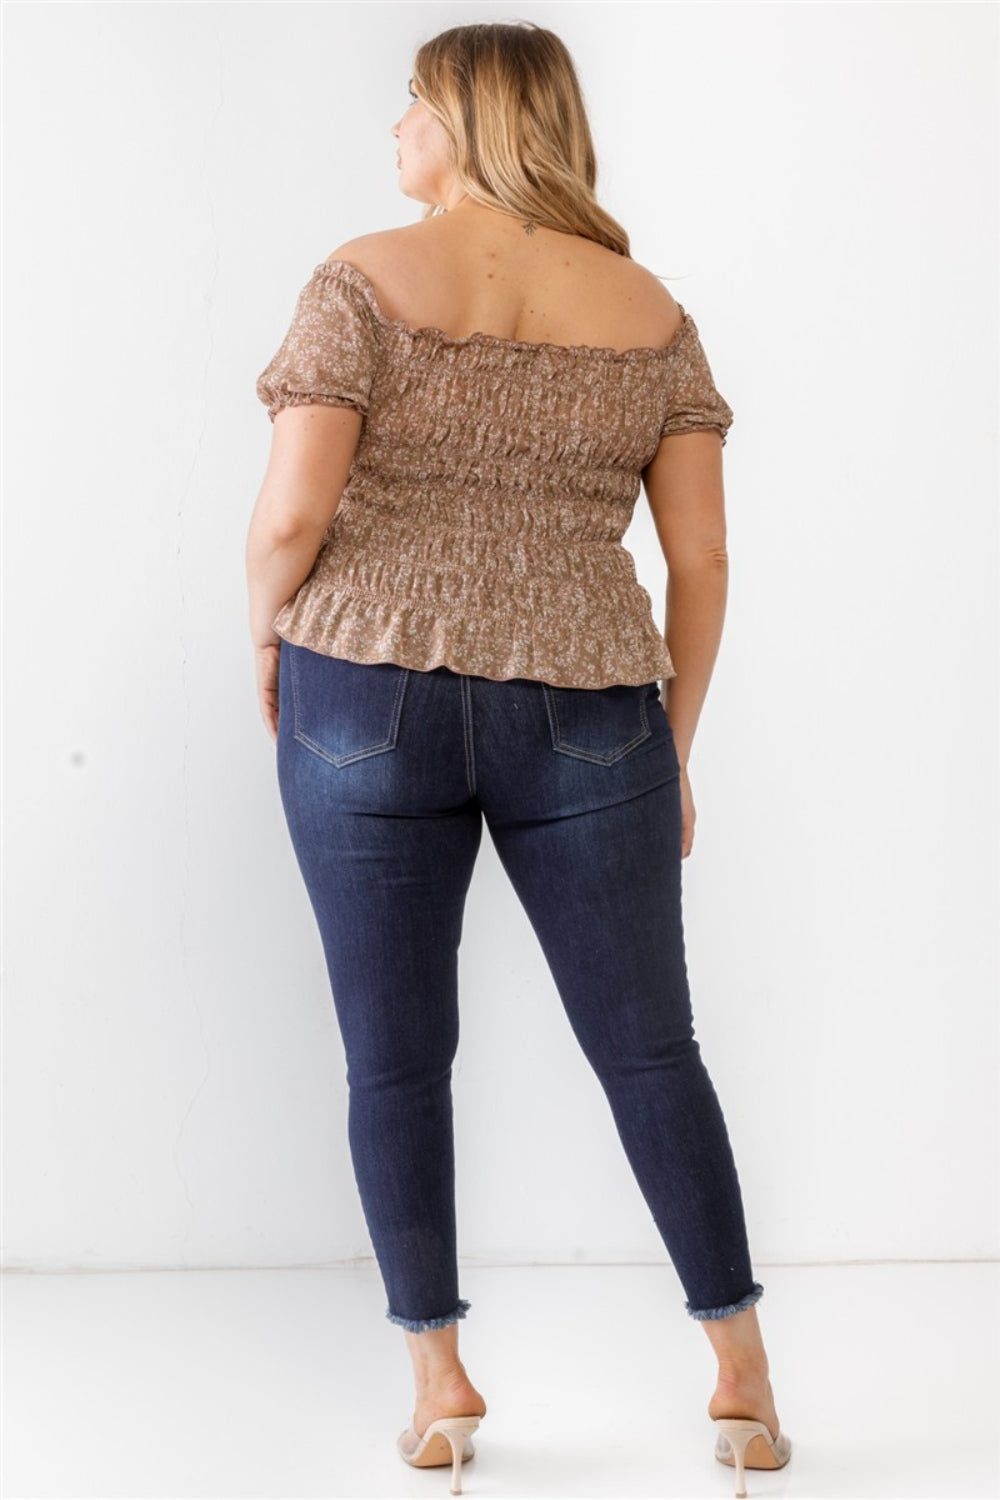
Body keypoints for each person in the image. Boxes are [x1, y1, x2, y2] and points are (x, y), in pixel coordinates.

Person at [246, 20, 791, 1498]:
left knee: (395, 1057)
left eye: (412, 105)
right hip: (591, 703)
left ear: (473, 118)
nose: (395, 130)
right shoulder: (650, 310)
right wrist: (667, 747)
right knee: (650, 1048)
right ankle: (739, 1372)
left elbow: (293, 520)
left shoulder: (360, 281)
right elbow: (705, 557)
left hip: (366, 692)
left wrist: (265, 637)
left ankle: (439, 1383)